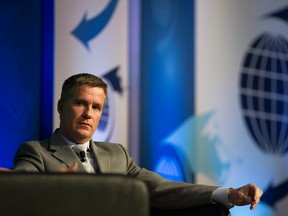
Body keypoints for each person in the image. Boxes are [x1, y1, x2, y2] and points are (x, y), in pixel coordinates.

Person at [13, 73, 262, 210]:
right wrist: (53, 188)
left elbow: (162, 188)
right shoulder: (36, 153)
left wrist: (227, 193)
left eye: (97, 107)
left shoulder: (116, 155)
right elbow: (18, 192)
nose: (89, 113)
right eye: (80, 103)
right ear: (61, 106)